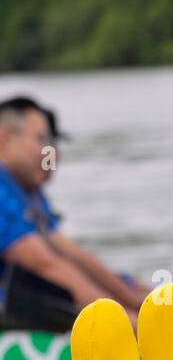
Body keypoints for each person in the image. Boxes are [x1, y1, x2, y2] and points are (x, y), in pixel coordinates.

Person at [0, 96, 145, 330]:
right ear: (4, 138)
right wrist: (127, 322)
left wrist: (135, 301)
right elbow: (44, 265)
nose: (51, 153)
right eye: (42, 141)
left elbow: (68, 254)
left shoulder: (27, 191)